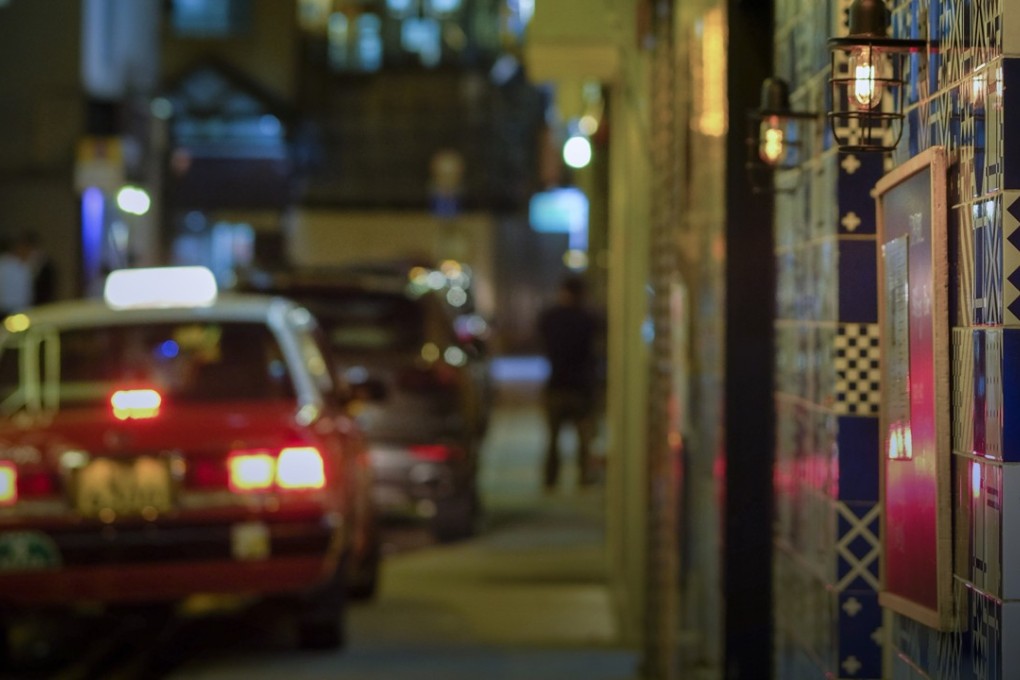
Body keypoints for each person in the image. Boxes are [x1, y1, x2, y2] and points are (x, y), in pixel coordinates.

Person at [537, 274, 602, 490]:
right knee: (583, 438)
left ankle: (550, 479)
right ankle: (583, 477)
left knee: (553, 439)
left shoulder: (550, 317)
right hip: (581, 387)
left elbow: (542, 340)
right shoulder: (588, 319)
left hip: (556, 384)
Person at [0, 236, 33, 316]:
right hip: (18, 308)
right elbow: (26, 291)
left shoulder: (20, 265)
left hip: (9, 307)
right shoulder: (20, 266)